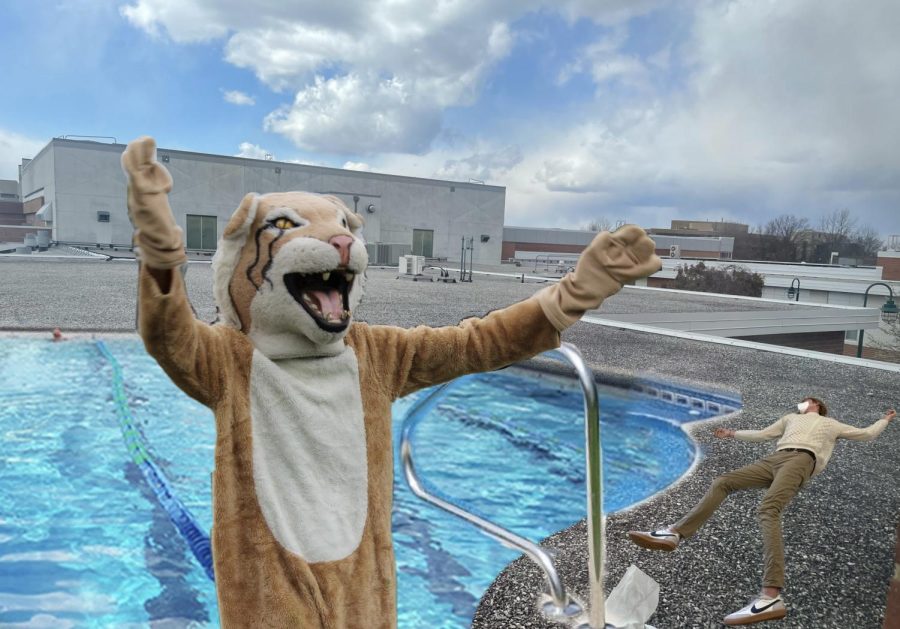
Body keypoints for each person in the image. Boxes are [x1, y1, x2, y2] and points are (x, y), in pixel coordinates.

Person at [627, 397, 896, 625]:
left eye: (806, 400)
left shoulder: (830, 423)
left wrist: (885, 420)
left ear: (815, 404)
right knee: (724, 482)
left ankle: (770, 596)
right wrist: (733, 434)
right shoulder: (790, 418)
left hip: (802, 459)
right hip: (775, 458)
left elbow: (866, 434)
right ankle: (674, 533)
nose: (801, 403)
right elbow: (764, 434)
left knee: (769, 509)